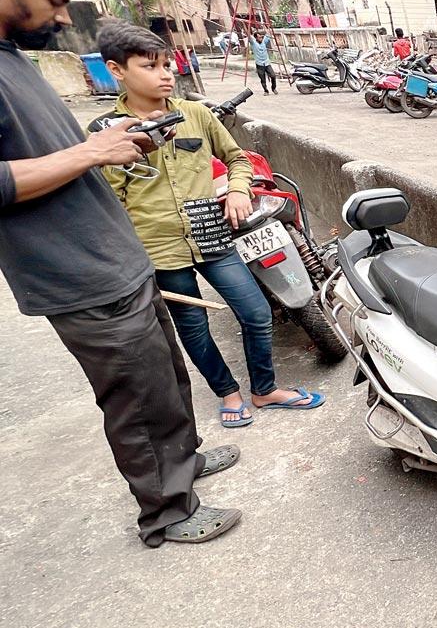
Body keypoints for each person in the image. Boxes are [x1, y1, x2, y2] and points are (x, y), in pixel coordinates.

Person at [0, 0, 241, 546]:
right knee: (135, 396)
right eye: (55, 0)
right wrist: (92, 153)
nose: (63, 17)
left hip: (117, 261)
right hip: (79, 276)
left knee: (164, 377)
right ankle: (166, 511)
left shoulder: (11, 59)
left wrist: (97, 150)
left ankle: (180, 463)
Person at [92, 22, 325, 430]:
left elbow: (237, 158)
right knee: (194, 327)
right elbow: (108, 202)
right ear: (116, 69)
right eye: (150, 66)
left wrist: (238, 190)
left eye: (168, 65)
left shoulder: (196, 114)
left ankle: (264, 389)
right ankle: (228, 394)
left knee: (255, 312)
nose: (166, 74)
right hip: (159, 248)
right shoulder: (105, 133)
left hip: (211, 233)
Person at [249, 29, 276, 94]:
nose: (261, 38)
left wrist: (266, 27)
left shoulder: (264, 42)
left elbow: (268, 34)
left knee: (273, 76)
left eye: (261, 37)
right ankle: (266, 91)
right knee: (263, 79)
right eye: (259, 37)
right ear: (256, 38)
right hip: (259, 64)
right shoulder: (253, 43)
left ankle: (273, 88)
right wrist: (245, 27)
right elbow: (249, 36)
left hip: (267, 63)